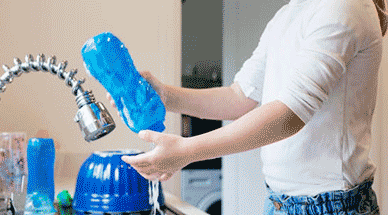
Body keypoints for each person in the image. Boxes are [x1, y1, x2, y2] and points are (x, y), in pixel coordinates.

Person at [108, 0, 388, 214]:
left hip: (332, 206)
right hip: (279, 202)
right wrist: (165, 95)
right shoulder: (287, 15)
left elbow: (290, 114)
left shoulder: (343, 7)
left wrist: (187, 151)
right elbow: (239, 96)